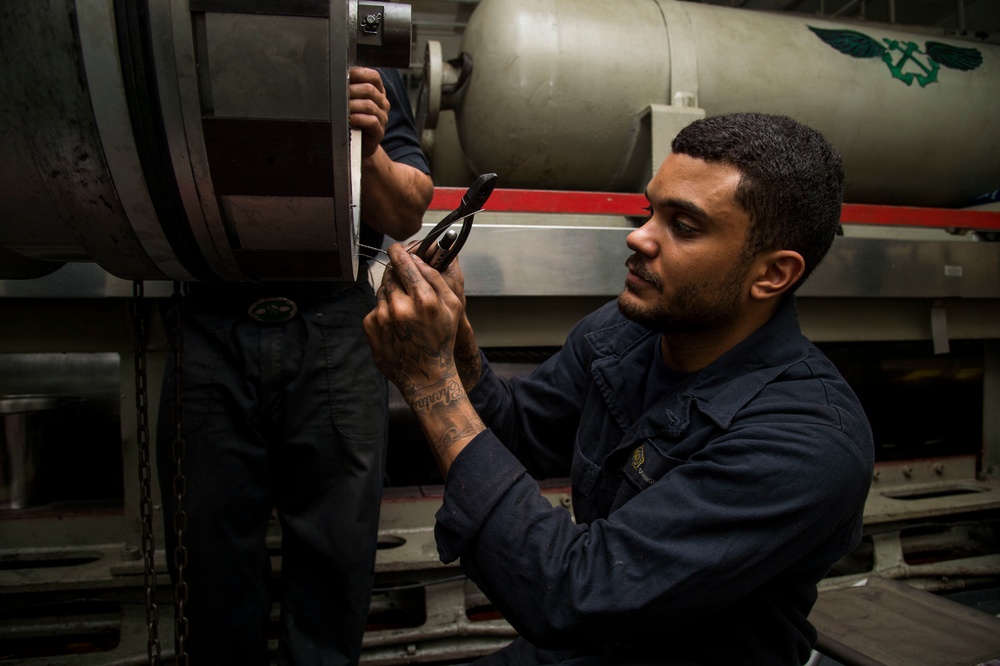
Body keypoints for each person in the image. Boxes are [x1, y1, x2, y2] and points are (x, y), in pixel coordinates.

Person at [363, 112, 874, 665]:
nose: (638, 236)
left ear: (772, 274)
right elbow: (516, 431)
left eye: (683, 225)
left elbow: (572, 594)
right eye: (650, 209)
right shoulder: (627, 331)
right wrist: (454, 339)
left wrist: (432, 382)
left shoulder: (809, 442)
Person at [156, 66, 433, 665]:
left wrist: (369, 146)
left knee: (334, 569)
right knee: (210, 572)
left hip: (333, 316)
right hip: (210, 310)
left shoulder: (359, 55)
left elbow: (409, 210)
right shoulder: (179, 37)